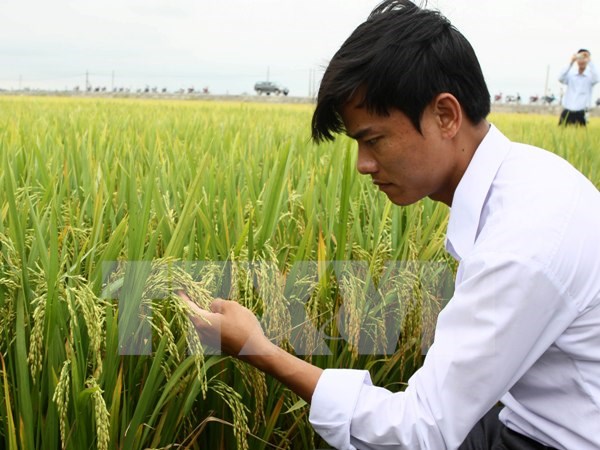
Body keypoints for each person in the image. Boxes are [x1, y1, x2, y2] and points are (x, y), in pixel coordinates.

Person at [180, 1, 600, 448]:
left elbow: (421, 430)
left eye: (373, 139)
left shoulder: (523, 244)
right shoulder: (531, 174)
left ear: (445, 115)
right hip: (530, 419)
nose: (363, 165)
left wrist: (257, 348)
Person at [558, 49, 598, 126]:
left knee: (581, 136)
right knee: (561, 133)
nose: (582, 61)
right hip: (567, 111)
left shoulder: (590, 76)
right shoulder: (571, 74)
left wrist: (590, 61)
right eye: (580, 58)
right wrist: (571, 62)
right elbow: (560, 78)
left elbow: (596, 79)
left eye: (584, 58)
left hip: (581, 112)